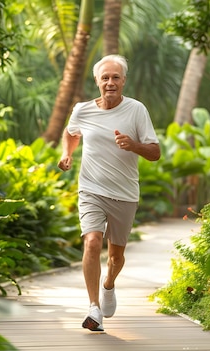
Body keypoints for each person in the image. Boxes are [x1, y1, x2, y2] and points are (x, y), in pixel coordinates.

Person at [57, 54, 161, 332]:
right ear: (97, 81)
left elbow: (155, 152)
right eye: (105, 77)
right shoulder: (82, 110)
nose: (110, 82)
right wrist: (67, 154)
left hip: (124, 193)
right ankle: (94, 308)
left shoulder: (137, 110)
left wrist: (133, 145)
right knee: (92, 242)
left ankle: (109, 284)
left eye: (116, 77)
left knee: (116, 257)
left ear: (124, 81)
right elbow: (71, 132)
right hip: (91, 189)